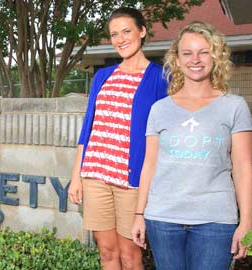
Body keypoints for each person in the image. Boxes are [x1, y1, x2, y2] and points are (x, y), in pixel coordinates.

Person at [131, 21, 252, 270]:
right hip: (163, 219)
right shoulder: (160, 109)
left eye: (203, 51)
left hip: (215, 220)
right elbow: (150, 164)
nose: (195, 59)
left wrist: (246, 221)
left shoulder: (234, 106)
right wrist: (138, 214)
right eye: (187, 53)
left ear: (215, 56)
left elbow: (242, 168)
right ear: (177, 59)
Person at [68, 7, 168, 270]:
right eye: (114, 34)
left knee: (131, 256)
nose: (120, 39)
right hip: (96, 176)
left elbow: (165, 133)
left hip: (131, 182)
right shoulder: (103, 76)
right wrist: (77, 175)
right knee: (107, 253)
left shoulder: (160, 78)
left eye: (126, 31)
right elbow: (88, 127)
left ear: (142, 31)